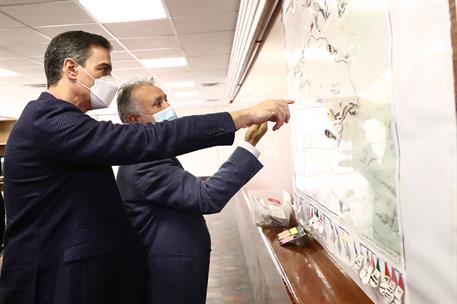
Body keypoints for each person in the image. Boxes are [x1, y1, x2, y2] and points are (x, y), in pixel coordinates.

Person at [0, 30, 292, 304]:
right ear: (72, 69)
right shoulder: (48, 120)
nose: (110, 80)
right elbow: (152, 139)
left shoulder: (65, 122)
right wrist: (243, 116)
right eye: (103, 69)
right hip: (56, 284)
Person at [116, 80, 267, 304]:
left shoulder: (147, 158)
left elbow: (185, 190)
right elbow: (208, 197)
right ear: (134, 120)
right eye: (158, 103)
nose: (168, 106)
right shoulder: (143, 164)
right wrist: (249, 146)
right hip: (169, 272)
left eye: (166, 98)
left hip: (175, 266)